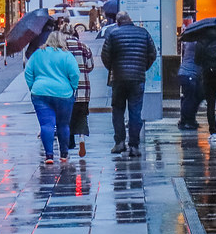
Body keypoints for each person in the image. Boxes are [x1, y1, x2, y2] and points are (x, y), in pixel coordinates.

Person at [101, 10, 157, 157]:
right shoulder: (143, 33)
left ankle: (119, 143)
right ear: (130, 19)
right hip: (137, 79)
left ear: (118, 22)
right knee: (135, 112)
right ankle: (134, 146)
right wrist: (142, 67)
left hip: (118, 79)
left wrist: (114, 68)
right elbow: (152, 54)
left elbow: (105, 56)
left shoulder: (113, 34)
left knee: (118, 111)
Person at [24, 30, 80, 164]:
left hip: (40, 93)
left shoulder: (37, 54)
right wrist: (72, 87)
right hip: (64, 94)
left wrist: (33, 87)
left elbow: (28, 73)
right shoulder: (67, 56)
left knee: (46, 125)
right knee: (63, 125)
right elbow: (75, 74)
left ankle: (49, 156)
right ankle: (64, 154)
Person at [65, 26, 94, 157]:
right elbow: (90, 66)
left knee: (66, 116)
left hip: (66, 89)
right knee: (82, 115)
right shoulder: (84, 46)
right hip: (83, 88)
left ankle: (69, 141)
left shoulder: (61, 49)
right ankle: (81, 138)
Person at [176, 20, 203, 130]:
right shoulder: (196, 43)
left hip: (186, 73)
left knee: (191, 97)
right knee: (190, 98)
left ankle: (188, 119)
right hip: (190, 74)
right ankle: (186, 121)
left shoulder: (191, 41)